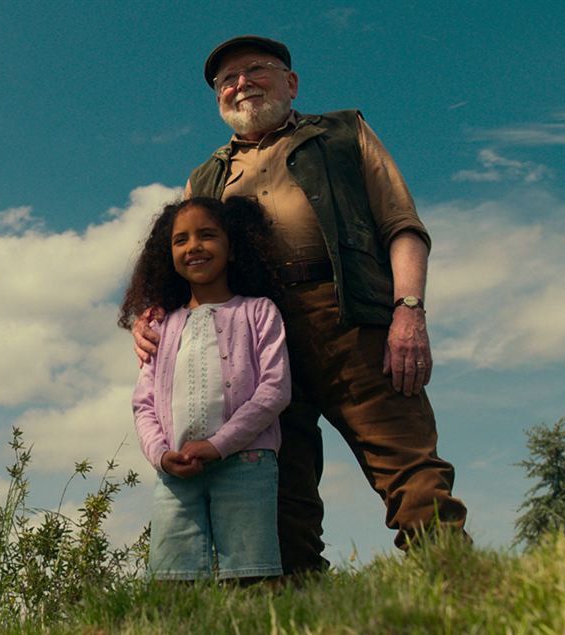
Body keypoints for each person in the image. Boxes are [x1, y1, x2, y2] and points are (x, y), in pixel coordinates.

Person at [130, 35, 467, 576]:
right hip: (252, 338)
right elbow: (187, 261)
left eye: (255, 70)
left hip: (351, 318)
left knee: (405, 458)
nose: (241, 84)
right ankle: (299, 606)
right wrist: (151, 318)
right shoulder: (207, 176)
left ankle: (454, 581)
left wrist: (408, 309)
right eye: (227, 81)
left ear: (291, 82)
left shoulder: (341, 133)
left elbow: (401, 225)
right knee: (277, 483)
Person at [122, 196, 291, 582]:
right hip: (176, 473)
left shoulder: (258, 312)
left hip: (247, 464)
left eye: (207, 235)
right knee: (172, 583)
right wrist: (161, 456)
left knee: (252, 578)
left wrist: (219, 444)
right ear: (169, 255)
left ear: (233, 248)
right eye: (180, 240)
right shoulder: (161, 326)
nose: (193, 246)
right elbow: (143, 403)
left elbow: (275, 389)